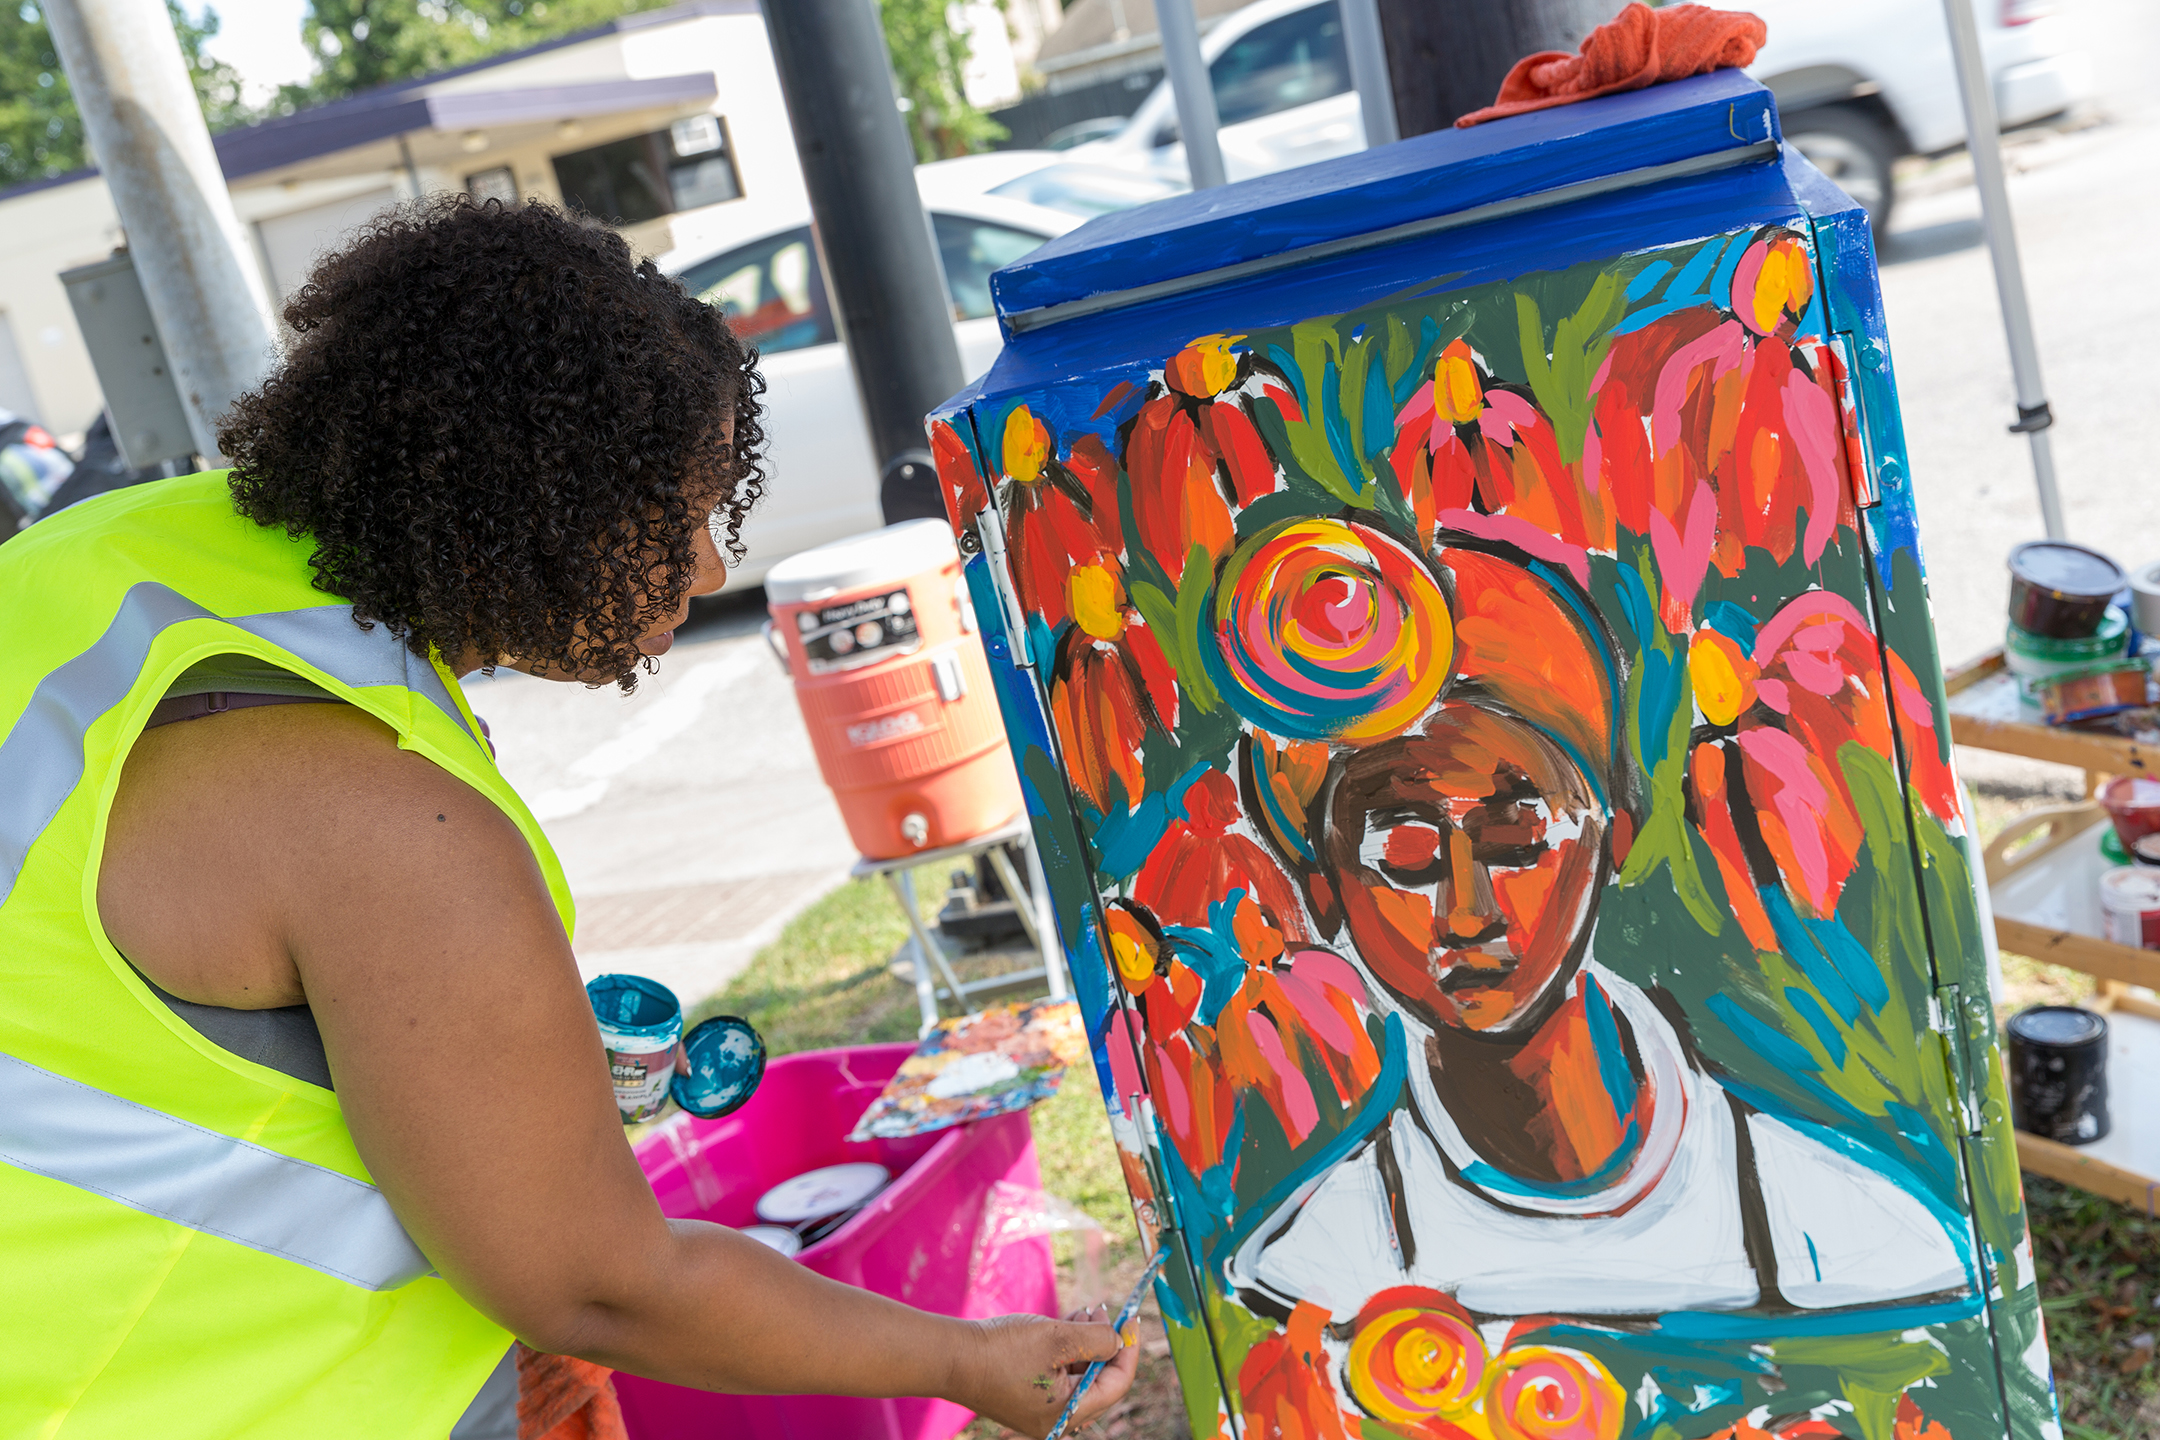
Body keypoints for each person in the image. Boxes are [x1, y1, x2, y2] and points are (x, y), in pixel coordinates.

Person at [0, 198, 1133, 1440]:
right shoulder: (380, 819)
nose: (708, 568)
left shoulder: (113, 555)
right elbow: (600, 1282)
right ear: (538, 503)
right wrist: (972, 1359)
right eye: (681, 516)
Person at [1221, 532, 1975, 1325]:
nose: (1469, 912)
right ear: (1327, 892)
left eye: (1517, 841)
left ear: (1611, 840)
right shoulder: (1318, 1271)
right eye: (1406, 856)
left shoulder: (1847, 1238)